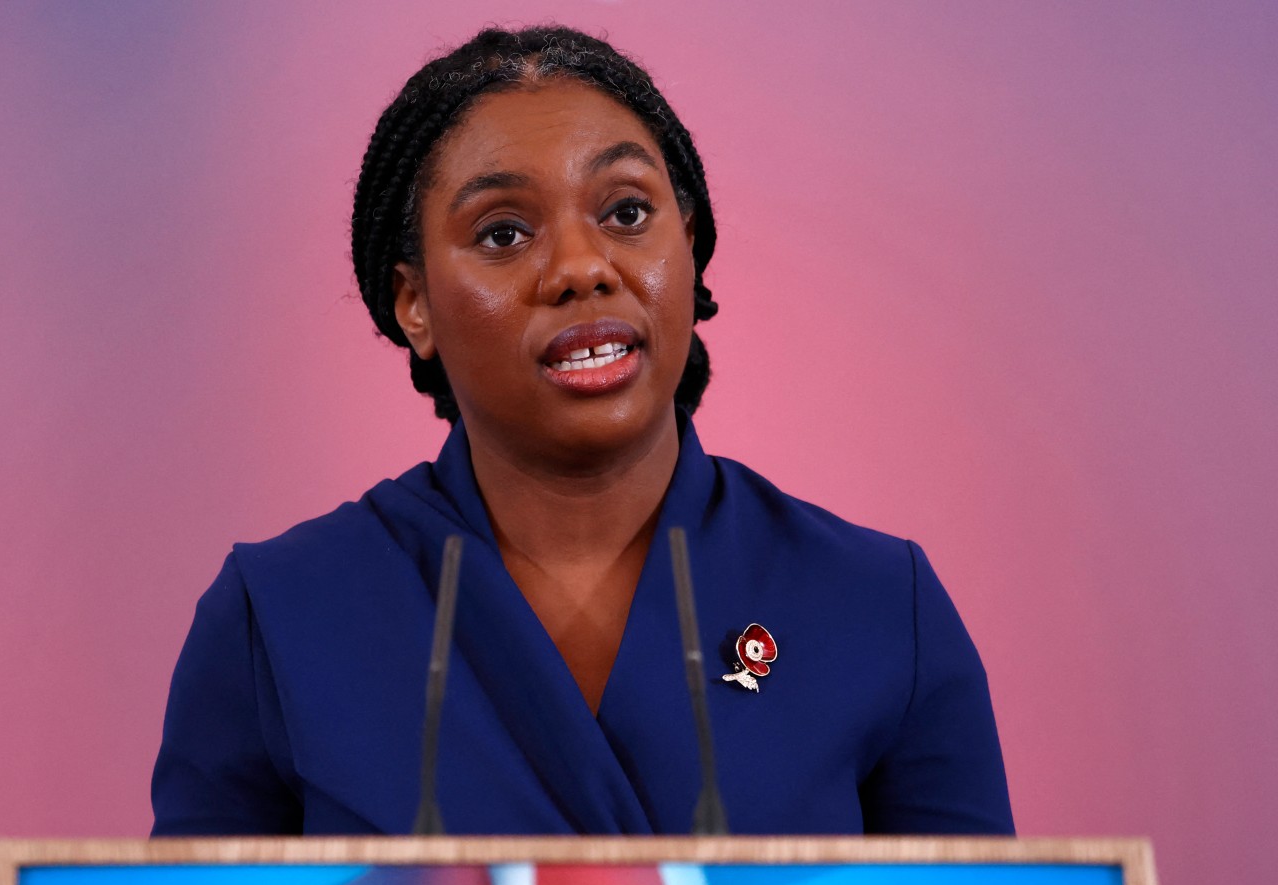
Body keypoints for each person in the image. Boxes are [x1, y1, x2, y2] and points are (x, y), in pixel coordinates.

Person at [151, 25, 1013, 836]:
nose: (580, 268)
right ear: (414, 304)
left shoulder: (875, 604)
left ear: (693, 246)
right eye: (503, 232)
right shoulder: (279, 613)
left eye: (628, 214)